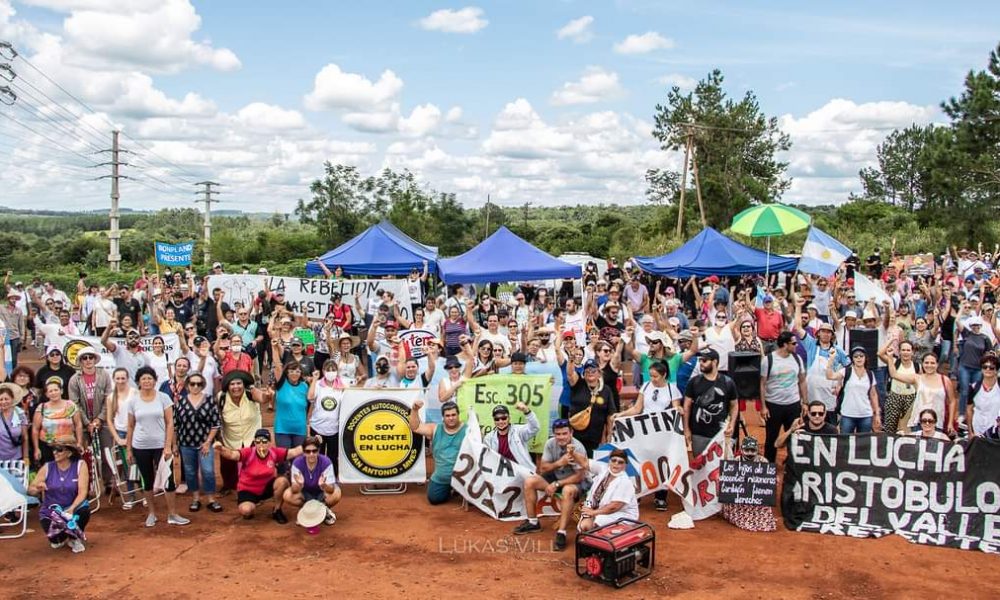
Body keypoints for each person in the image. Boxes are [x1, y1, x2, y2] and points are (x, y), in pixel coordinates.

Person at [126, 366, 190, 527]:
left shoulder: (163, 398)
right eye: (143, 379)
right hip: (140, 446)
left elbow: (170, 423)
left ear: (155, 381)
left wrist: (168, 446)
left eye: (149, 378)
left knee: (168, 480)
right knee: (147, 481)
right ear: (139, 382)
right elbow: (130, 426)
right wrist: (128, 449)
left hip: (161, 446)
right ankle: (152, 514)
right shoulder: (133, 401)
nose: (147, 381)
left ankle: (172, 514)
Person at [516, 418, 588, 550]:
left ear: (571, 433)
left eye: (564, 433)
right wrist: (560, 463)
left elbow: (580, 476)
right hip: (556, 477)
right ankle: (533, 521)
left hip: (577, 483)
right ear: (554, 434)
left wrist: (556, 484)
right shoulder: (550, 443)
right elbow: (543, 468)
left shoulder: (578, 447)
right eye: (558, 434)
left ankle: (562, 533)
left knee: (567, 491)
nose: (561, 437)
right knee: (530, 481)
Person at [213, 428, 304, 523]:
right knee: (246, 510)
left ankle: (277, 510)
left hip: (266, 487)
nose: (261, 444)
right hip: (248, 489)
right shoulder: (248, 452)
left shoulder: (274, 452)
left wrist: (311, 442)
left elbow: (294, 452)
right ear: (255, 443)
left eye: (264, 441)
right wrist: (221, 449)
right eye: (258, 441)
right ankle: (252, 504)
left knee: (282, 481)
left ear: (269, 443)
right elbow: (232, 455)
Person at [26, 443, 90, 553]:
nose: (55, 452)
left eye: (59, 450)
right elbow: (30, 490)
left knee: (83, 509)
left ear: (69, 453)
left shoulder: (80, 465)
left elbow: (83, 492)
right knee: (56, 542)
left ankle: (74, 537)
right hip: (51, 511)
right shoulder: (47, 467)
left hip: (72, 508)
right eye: (54, 449)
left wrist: (72, 508)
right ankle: (64, 536)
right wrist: (37, 488)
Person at [173, 372, 222, 513]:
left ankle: (211, 499)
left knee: (208, 471)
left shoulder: (209, 400)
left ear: (203, 385)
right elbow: (175, 425)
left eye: (199, 384)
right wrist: (175, 444)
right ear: (188, 385)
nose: (195, 386)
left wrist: (208, 442)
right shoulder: (180, 402)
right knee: (190, 472)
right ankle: (195, 498)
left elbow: (216, 423)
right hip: (186, 444)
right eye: (192, 383)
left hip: (204, 444)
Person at [217, 370, 269, 494]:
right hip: (230, 435)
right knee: (227, 464)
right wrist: (219, 437)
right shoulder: (222, 397)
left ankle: (255, 489)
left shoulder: (251, 394)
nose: (236, 387)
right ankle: (229, 486)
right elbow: (217, 415)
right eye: (232, 384)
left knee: (253, 463)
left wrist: (268, 395)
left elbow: (262, 398)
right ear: (227, 386)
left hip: (251, 435)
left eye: (239, 383)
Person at [760, 331, 808, 461]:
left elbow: (802, 381)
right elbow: (762, 384)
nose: (796, 345)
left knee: (795, 436)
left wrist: (805, 402)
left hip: (793, 404)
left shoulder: (797, 359)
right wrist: (763, 407)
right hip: (774, 405)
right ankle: (769, 467)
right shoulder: (768, 360)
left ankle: (792, 465)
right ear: (785, 344)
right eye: (794, 343)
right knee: (771, 437)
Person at [409, 399, 467, 505]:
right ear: (443, 417)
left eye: (454, 415)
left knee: (474, 501)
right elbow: (415, 427)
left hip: (464, 477)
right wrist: (414, 410)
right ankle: (451, 490)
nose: (451, 418)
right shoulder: (435, 429)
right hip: (442, 476)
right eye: (447, 415)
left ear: (458, 415)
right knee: (434, 499)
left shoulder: (468, 430)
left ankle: (458, 489)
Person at [683, 348, 738, 456]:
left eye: (704, 361)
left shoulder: (728, 382)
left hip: (720, 434)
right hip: (698, 434)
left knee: (719, 468)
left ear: (715, 362)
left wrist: (732, 424)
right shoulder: (694, 382)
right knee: (700, 466)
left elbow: (734, 405)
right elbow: (687, 406)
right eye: (700, 360)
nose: (701, 363)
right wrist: (686, 429)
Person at [720, 437, 776, 532]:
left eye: (752, 450)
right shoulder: (737, 460)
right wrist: (727, 442)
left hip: (756, 498)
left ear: (757, 450)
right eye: (747, 450)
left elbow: (767, 482)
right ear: (741, 450)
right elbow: (726, 470)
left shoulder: (763, 461)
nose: (750, 453)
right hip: (740, 499)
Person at [283, 435, 341, 526]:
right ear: (303, 451)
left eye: (314, 451)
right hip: (305, 492)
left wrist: (324, 485)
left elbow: (331, 490)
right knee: (287, 495)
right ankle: (306, 511)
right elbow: (294, 490)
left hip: (321, 493)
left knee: (336, 494)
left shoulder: (326, 462)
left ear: (318, 450)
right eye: (307, 451)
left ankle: (323, 510)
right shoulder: (297, 463)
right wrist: (299, 484)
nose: (311, 454)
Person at [577, 448, 639, 532]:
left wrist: (593, 513)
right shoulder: (604, 468)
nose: (616, 464)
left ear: (625, 466)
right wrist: (572, 453)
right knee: (583, 526)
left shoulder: (625, 482)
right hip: (596, 508)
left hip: (620, 514)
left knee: (598, 522)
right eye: (614, 460)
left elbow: (614, 507)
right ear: (609, 461)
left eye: (620, 462)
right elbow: (584, 462)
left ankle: (595, 541)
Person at [566, 357, 617, 456]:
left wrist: (609, 435)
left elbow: (610, 414)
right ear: (584, 374)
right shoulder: (578, 384)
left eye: (593, 370)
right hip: (575, 436)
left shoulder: (606, 390)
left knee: (592, 464)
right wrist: (571, 359)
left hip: (596, 437)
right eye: (587, 370)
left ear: (599, 373)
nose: (590, 372)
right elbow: (570, 373)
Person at [826, 346, 881, 434]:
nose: (859, 358)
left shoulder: (870, 374)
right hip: (848, 414)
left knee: (863, 443)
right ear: (852, 359)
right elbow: (830, 376)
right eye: (856, 356)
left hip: (865, 414)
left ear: (865, 358)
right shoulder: (846, 371)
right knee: (845, 441)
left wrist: (877, 414)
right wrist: (831, 360)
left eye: (861, 356)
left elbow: (873, 395)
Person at [307, 360, 346, 474]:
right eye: (328, 370)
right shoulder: (318, 384)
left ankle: (332, 479)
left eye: (333, 370)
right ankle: (316, 479)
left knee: (333, 457)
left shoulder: (342, 386)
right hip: (317, 427)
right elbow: (310, 397)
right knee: (317, 455)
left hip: (334, 429)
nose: (330, 372)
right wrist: (314, 379)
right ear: (323, 371)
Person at [32, 380, 83, 465]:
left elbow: (78, 425)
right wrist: (36, 448)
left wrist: (79, 443)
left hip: (68, 446)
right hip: (47, 447)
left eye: (56, 390)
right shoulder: (41, 408)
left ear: (61, 391)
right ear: (46, 394)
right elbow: (35, 429)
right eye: (50, 391)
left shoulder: (71, 405)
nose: (53, 393)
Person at [878, 340, 919, 434]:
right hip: (895, 397)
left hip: (911, 398)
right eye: (903, 350)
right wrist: (891, 340)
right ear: (899, 351)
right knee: (890, 427)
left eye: (908, 350)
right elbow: (880, 353)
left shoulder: (917, 366)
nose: (905, 352)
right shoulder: (894, 362)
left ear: (912, 352)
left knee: (907, 428)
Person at [483, 402, 539, 471]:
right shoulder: (488, 438)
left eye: (503, 418)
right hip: (500, 475)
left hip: (522, 473)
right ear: (494, 421)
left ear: (509, 418)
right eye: (497, 419)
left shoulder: (518, 431)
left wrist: (526, 411)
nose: (500, 421)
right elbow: (486, 459)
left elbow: (534, 428)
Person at [966, 353, 1000, 437]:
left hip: (995, 432)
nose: (988, 369)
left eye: (991, 368)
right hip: (977, 430)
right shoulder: (974, 387)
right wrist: (970, 432)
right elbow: (969, 410)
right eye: (985, 367)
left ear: (996, 370)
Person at [0, 383, 29, 462]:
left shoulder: (20, 414)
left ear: (12, 399)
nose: (3, 402)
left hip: (16, 458)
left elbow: (25, 437)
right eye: (1, 399)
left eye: (6, 399)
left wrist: (26, 458)